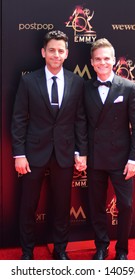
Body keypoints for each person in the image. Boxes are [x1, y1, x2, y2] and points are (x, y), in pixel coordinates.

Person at [11, 30, 87, 260]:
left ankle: (60, 250)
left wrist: (81, 152)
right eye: (51, 50)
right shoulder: (28, 80)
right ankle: (27, 252)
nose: (56, 54)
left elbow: (80, 119)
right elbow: (19, 119)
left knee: (62, 206)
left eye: (60, 51)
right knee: (28, 206)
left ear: (67, 54)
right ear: (43, 52)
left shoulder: (77, 82)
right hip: (33, 153)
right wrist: (19, 154)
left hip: (64, 153)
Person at [84, 38, 135, 260]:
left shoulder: (129, 87)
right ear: (91, 62)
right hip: (95, 157)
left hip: (122, 159)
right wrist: (81, 153)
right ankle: (101, 246)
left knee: (126, 206)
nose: (102, 62)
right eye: (98, 59)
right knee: (96, 205)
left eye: (106, 58)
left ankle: (122, 250)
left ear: (114, 60)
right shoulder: (85, 88)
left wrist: (134, 158)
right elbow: (82, 123)